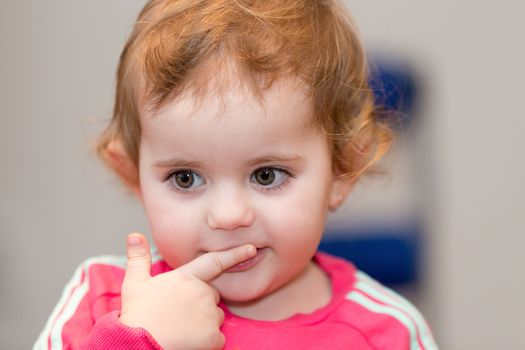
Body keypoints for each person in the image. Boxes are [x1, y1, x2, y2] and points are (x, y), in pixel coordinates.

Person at [34, 0, 438, 349]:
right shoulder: (101, 300)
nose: (228, 216)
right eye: (185, 178)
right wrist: (135, 341)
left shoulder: (389, 332)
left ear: (341, 171)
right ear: (132, 177)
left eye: (266, 175)